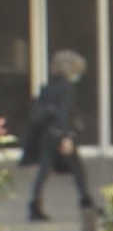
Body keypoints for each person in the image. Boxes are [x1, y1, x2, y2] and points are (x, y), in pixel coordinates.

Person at [21, 50, 98, 221]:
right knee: (78, 170)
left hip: (47, 134)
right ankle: (87, 202)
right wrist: (66, 136)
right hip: (60, 134)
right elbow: (63, 113)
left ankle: (34, 205)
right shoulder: (67, 88)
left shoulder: (49, 87)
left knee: (44, 171)